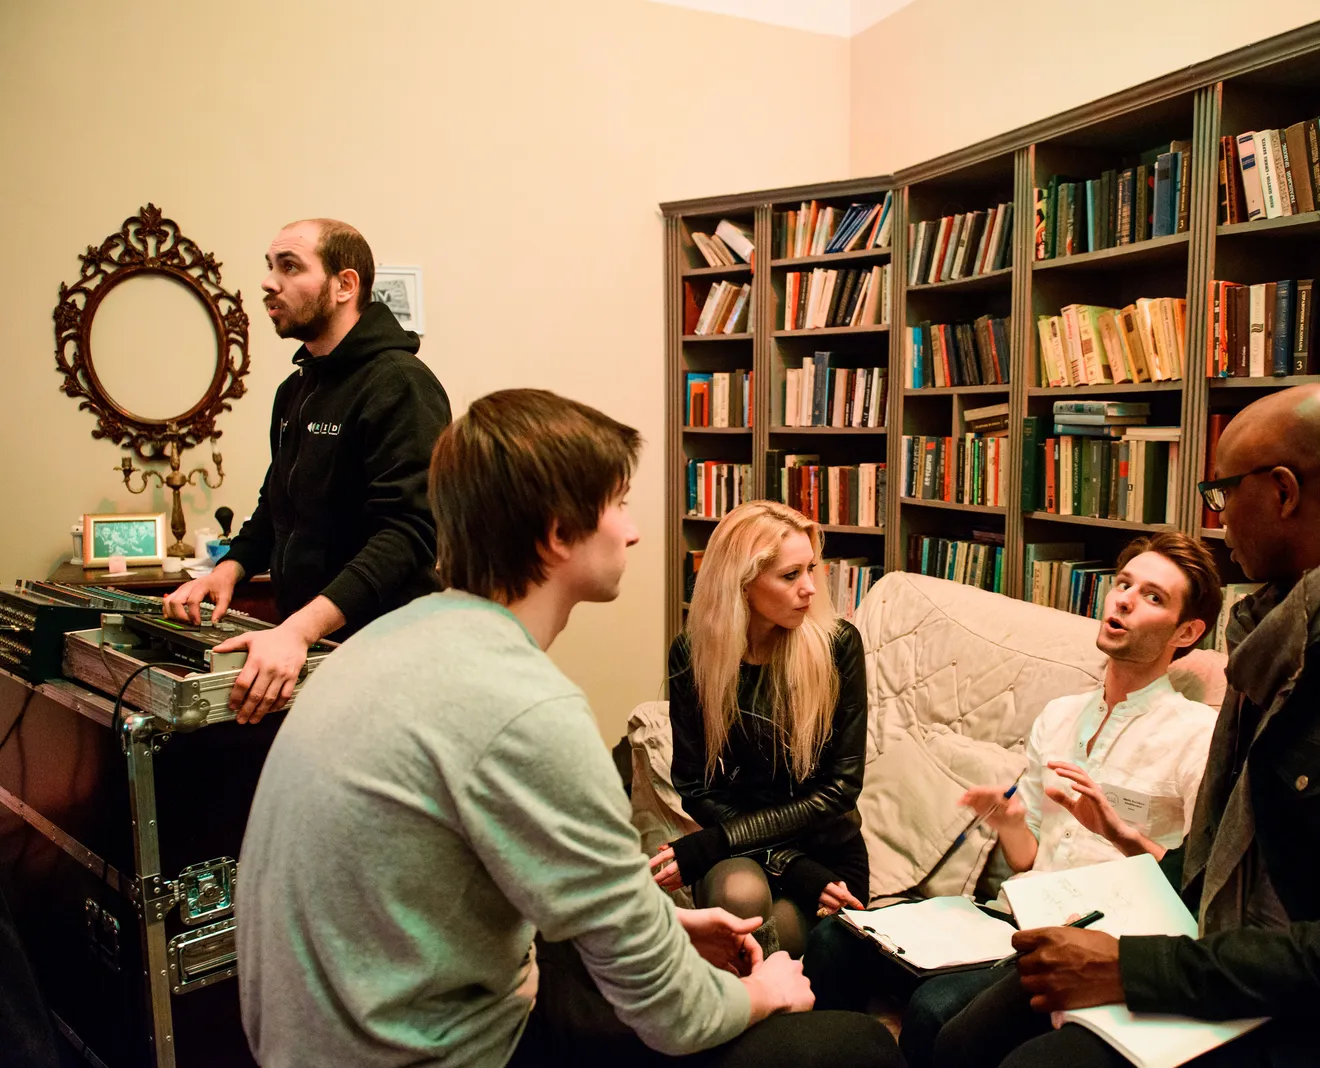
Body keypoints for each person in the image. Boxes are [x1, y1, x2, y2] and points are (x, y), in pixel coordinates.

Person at [235, 389, 903, 1068]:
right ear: (558, 534)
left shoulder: (378, 645)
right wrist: (763, 992)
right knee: (862, 1044)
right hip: (438, 1051)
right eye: (619, 504)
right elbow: (678, 1014)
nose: (633, 531)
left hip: (326, 1036)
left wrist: (661, 920)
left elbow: (526, 880)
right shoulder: (528, 709)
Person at [933, 384, 1320, 1068]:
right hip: (1234, 953)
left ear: (1282, 493)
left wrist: (1131, 968)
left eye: (1222, 491)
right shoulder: (1281, 633)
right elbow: (1228, 852)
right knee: (960, 1035)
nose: (1216, 516)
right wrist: (1120, 899)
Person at [806, 532, 1223, 1066]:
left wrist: (1119, 835)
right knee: (832, 940)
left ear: (1187, 631)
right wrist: (1008, 822)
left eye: (1152, 596)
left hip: (1089, 947)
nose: (1123, 600)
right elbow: (1028, 859)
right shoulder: (1060, 715)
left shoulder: (1196, 735)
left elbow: (1196, 889)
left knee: (935, 1010)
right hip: (1011, 919)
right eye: (1123, 584)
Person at [163, 218, 451, 723]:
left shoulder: (400, 384)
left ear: (345, 285)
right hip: (316, 650)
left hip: (389, 656)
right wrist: (228, 570)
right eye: (270, 267)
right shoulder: (294, 391)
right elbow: (277, 505)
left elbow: (409, 533)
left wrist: (299, 629)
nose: (268, 283)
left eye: (290, 267)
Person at [651, 500, 869, 957]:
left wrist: (718, 843)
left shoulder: (838, 647)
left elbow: (840, 789)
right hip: (746, 850)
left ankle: (757, 999)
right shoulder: (694, 655)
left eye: (811, 569)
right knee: (740, 897)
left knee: (773, 941)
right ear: (742, 583)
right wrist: (789, 864)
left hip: (827, 854)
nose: (810, 588)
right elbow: (696, 787)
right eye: (790, 575)